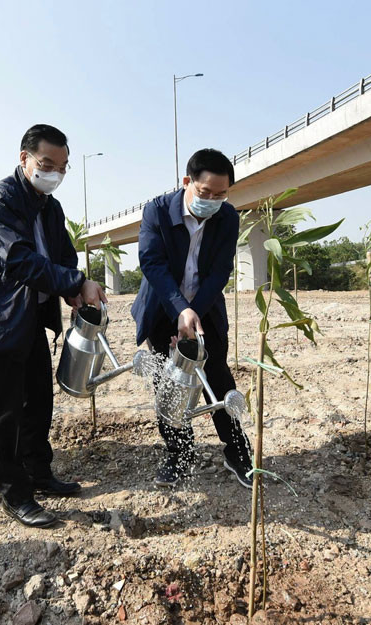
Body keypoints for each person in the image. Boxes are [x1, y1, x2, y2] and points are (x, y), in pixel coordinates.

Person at [0, 124, 107, 528]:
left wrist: (72, 288)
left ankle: (39, 473)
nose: (54, 174)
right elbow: (19, 261)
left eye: (61, 168)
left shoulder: (50, 205)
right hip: (1, 316)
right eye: (46, 164)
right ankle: (14, 492)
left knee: (39, 400)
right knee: (6, 410)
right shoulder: (0, 200)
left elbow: (62, 256)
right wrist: (76, 283)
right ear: (24, 158)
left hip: (33, 315)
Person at [131, 149, 253, 489]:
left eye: (221, 194)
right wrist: (178, 310)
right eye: (205, 192)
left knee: (216, 377)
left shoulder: (227, 217)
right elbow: (152, 263)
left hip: (205, 308)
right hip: (162, 309)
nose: (213, 200)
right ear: (187, 182)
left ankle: (238, 452)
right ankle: (179, 454)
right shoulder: (156, 210)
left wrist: (194, 311)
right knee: (169, 387)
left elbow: (219, 271)